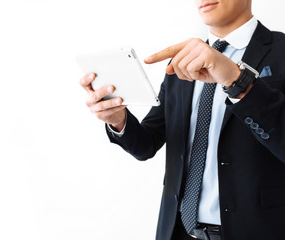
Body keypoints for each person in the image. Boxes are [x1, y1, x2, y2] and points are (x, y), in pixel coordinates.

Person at [79, 0, 285, 239]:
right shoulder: (182, 62)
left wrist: (238, 80)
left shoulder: (281, 51)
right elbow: (146, 144)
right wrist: (119, 120)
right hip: (178, 231)